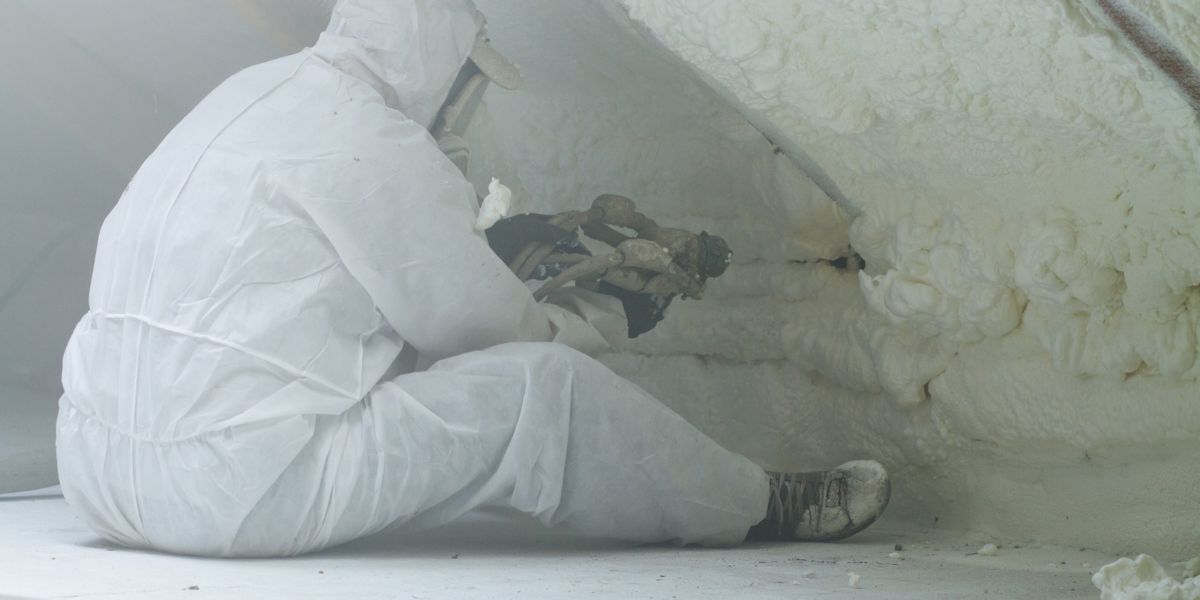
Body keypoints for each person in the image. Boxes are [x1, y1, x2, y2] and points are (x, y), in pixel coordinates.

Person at [55, 0, 890, 557]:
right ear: (438, 64)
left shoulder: (253, 93)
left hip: (95, 476)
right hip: (230, 494)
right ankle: (760, 505)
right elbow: (488, 337)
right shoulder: (375, 144)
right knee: (544, 392)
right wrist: (600, 312)